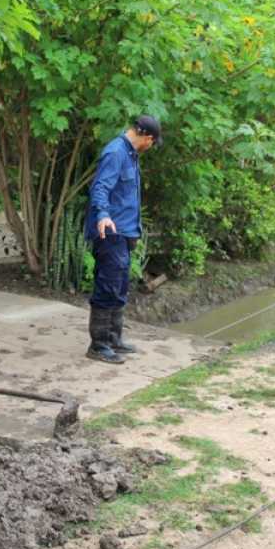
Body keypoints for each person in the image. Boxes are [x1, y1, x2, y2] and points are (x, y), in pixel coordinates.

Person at [83, 115, 163, 363]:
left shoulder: (130, 154)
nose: (150, 147)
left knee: (119, 286)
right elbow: (100, 187)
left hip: (125, 232)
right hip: (110, 232)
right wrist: (103, 215)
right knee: (108, 286)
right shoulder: (116, 152)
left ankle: (114, 339)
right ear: (147, 138)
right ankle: (98, 345)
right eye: (152, 142)